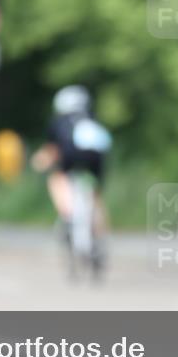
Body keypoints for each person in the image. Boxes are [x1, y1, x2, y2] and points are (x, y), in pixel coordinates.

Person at [31, 85, 111, 247]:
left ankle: (68, 215)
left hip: (71, 156)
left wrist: (39, 163)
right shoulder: (91, 118)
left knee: (57, 179)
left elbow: (52, 150)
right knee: (95, 194)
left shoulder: (60, 121)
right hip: (97, 158)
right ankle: (100, 236)